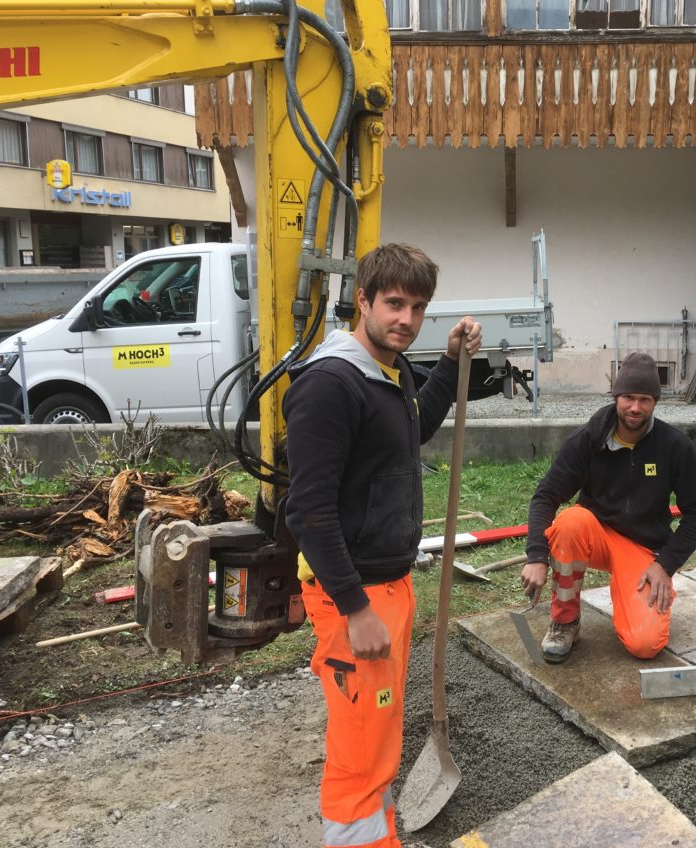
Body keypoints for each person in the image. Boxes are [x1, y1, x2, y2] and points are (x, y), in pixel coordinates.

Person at [283, 243, 481, 848]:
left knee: (377, 736)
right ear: (363, 301)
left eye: (418, 308)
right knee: (360, 753)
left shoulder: (388, 374)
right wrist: (355, 608)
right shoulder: (330, 385)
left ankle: (380, 836)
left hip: (387, 585)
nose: (407, 319)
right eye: (394, 304)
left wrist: (448, 364)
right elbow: (309, 512)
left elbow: (411, 429)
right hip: (355, 595)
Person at [520, 351, 696, 664]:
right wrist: (537, 556)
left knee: (645, 644)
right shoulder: (588, 440)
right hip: (593, 534)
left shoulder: (675, 446)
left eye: (645, 399)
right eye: (628, 397)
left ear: (655, 402)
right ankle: (565, 621)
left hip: (642, 547)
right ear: (616, 397)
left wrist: (665, 565)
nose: (635, 407)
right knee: (570, 522)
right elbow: (545, 496)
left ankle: (628, 591)